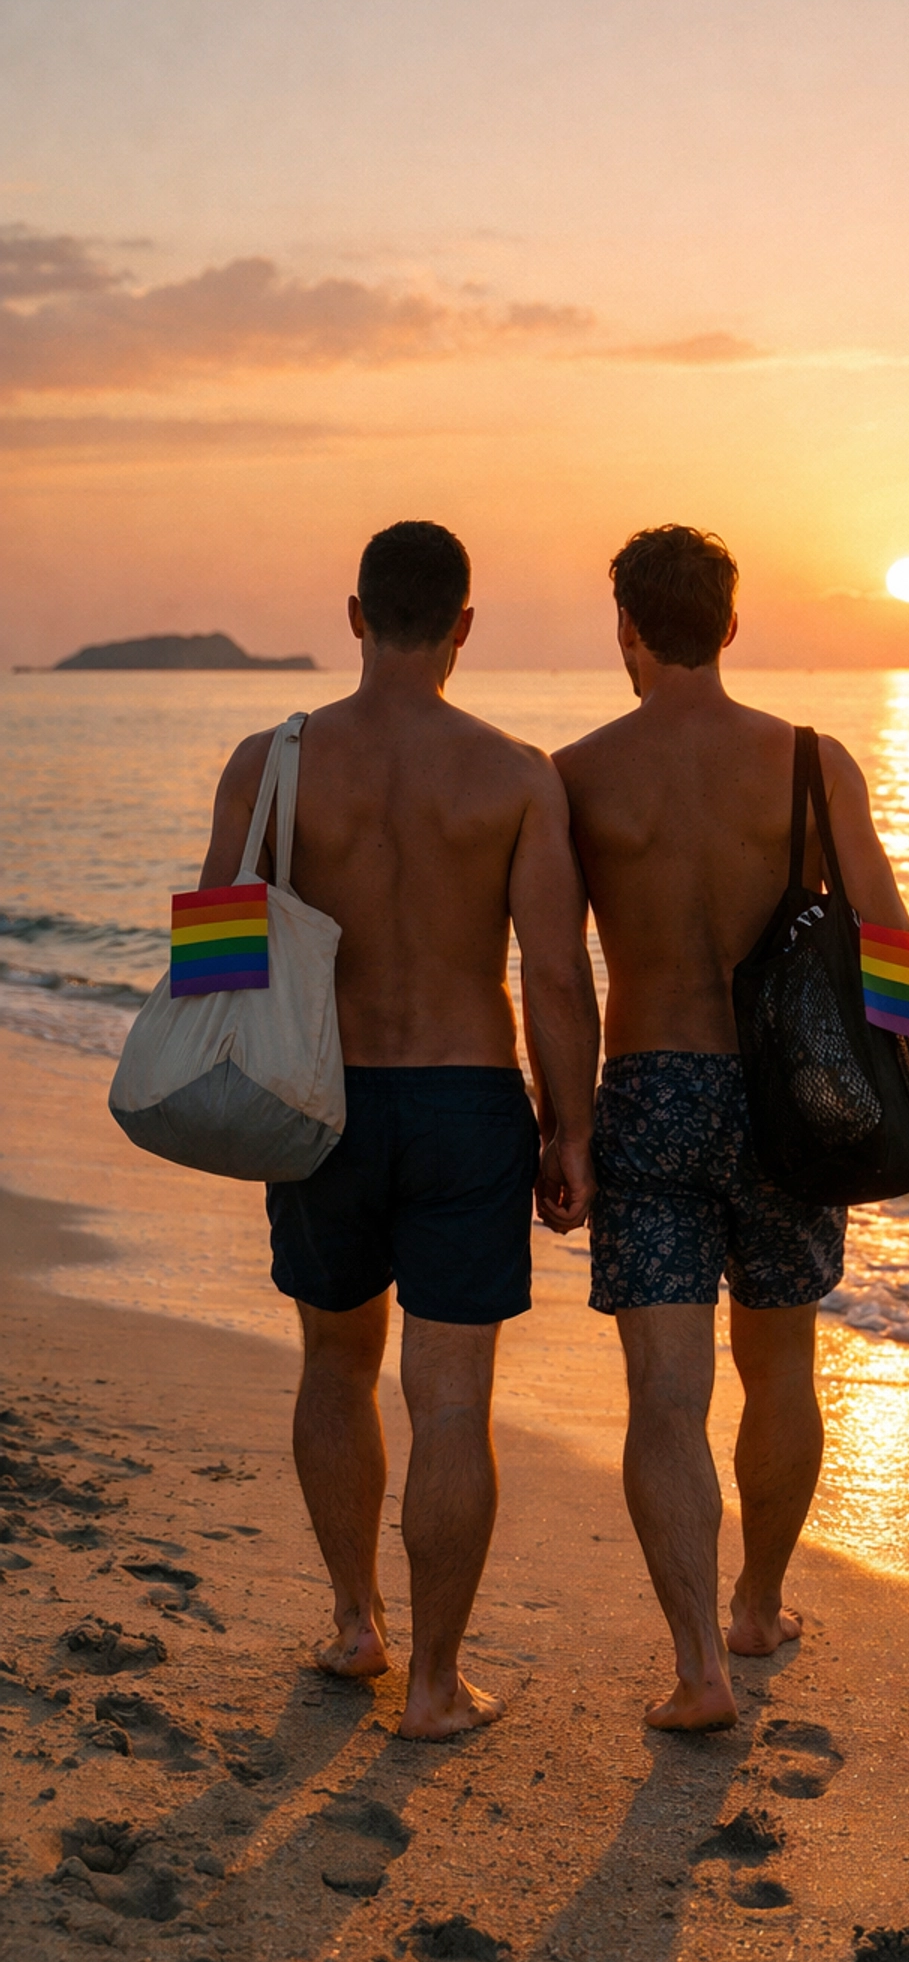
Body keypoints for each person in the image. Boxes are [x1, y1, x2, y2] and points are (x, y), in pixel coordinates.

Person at [198, 521, 599, 1739]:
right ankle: (435, 1685)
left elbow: (214, 959)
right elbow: (555, 975)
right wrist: (569, 1131)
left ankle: (353, 1625)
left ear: (355, 615)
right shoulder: (517, 775)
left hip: (321, 1103)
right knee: (452, 1401)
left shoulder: (270, 763)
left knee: (334, 1362)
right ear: (465, 625)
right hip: (467, 1104)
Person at [554, 524, 909, 1731]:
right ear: (732, 624)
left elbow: (554, 971)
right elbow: (895, 945)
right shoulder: (811, 762)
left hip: (651, 1089)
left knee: (665, 1391)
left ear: (627, 627)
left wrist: (565, 1125)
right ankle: (758, 1605)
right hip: (783, 1102)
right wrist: (897, 1103)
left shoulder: (577, 775)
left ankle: (699, 1666)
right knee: (782, 1368)